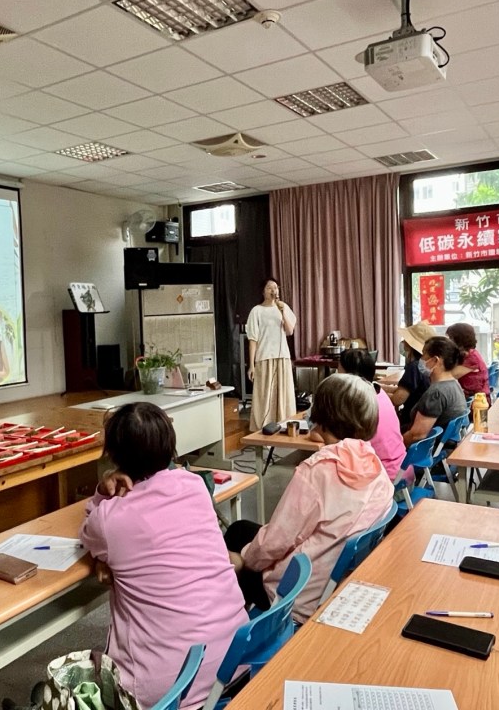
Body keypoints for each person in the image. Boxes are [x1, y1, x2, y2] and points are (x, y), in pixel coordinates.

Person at [79, 403, 247, 709]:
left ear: (113, 455)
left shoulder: (110, 519)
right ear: (170, 446)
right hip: (235, 659)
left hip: (170, 691)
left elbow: (89, 532)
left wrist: (103, 491)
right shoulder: (195, 486)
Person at [226, 373, 395, 623]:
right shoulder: (373, 465)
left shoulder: (317, 471)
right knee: (244, 531)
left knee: (237, 536)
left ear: (321, 416)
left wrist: (245, 560)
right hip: (337, 585)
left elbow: (277, 540)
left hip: (295, 596)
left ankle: (233, 626)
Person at [339, 349, 408, 480]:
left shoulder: (358, 402)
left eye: (339, 371)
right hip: (402, 468)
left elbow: (334, 437)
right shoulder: (378, 392)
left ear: (349, 376)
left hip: (385, 476)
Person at [246, 277, 297, 431]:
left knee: (283, 394)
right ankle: (262, 426)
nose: (273, 290)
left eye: (275, 287)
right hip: (264, 357)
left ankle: (284, 423)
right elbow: (253, 339)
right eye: (269, 287)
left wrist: (282, 311)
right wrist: (252, 365)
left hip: (282, 357)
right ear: (263, 291)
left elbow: (290, 331)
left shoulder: (283, 307)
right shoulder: (256, 311)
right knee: (264, 394)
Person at [402, 336, 467, 447]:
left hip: (423, 450)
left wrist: (394, 447)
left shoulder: (436, 393)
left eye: (423, 355)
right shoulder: (454, 384)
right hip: (441, 447)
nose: (421, 360)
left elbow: (416, 435)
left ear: (435, 360)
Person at [378, 322, 435, 432]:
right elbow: (405, 389)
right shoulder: (425, 365)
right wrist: (378, 387)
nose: (403, 342)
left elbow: (397, 400)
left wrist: (373, 394)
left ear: (410, 345)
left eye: (405, 340)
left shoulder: (414, 367)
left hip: (409, 423)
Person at [445, 322, 490, 398]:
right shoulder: (469, 353)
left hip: (477, 400)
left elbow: (449, 376)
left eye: (450, 338)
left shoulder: (471, 358)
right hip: (469, 396)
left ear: (458, 339)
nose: (448, 341)